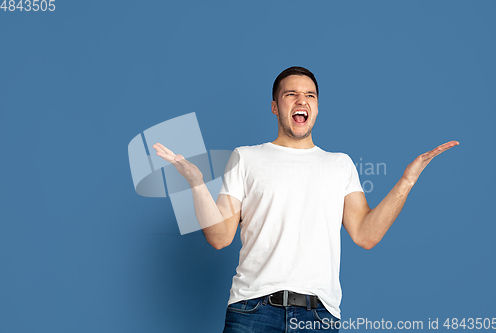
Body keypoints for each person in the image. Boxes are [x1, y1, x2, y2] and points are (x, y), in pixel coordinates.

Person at [152, 66, 459, 332]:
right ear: (275, 106)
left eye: (310, 95)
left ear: (317, 106)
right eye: (291, 94)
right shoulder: (245, 158)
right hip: (253, 311)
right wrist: (195, 182)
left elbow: (366, 235)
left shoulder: (339, 164)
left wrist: (407, 180)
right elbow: (219, 237)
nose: (302, 100)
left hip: (319, 317)